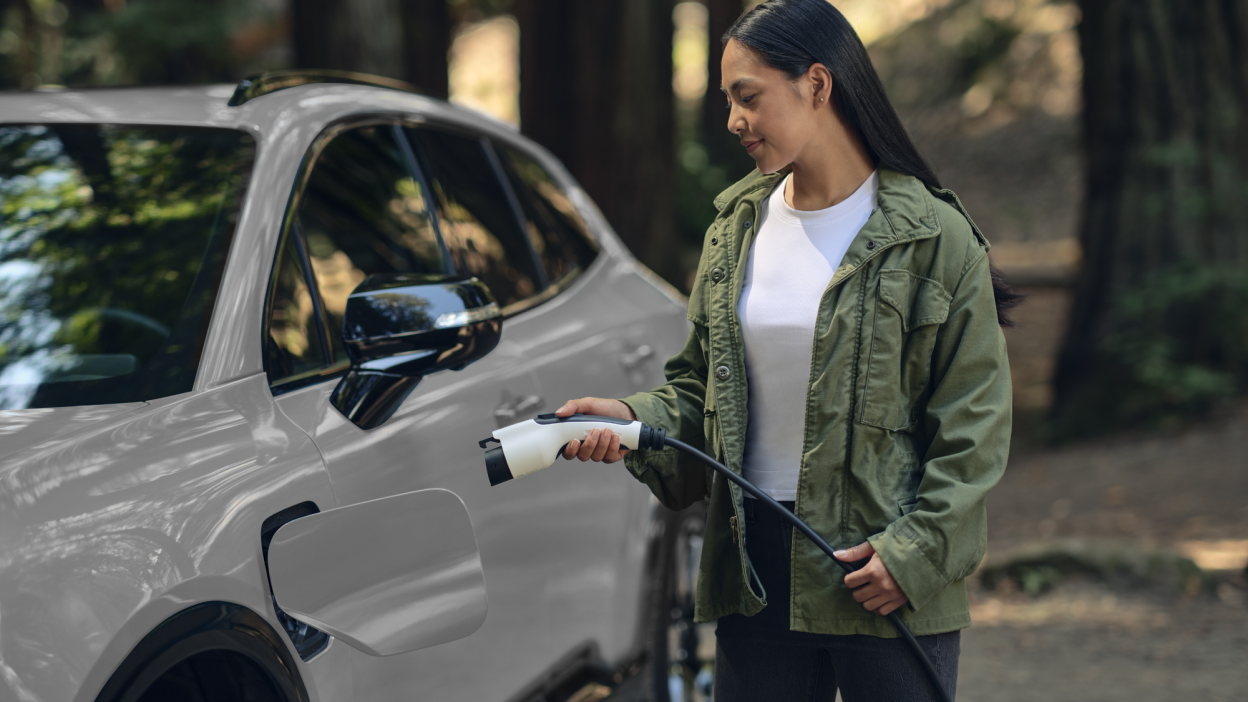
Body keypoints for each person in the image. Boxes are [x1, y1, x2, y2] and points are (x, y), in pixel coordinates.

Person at [554, 1, 1018, 699]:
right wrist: (630, 420)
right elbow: (701, 394)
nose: (734, 120)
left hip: (882, 576)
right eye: (728, 101)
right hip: (754, 574)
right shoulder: (734, 232)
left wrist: (914, 555)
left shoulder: (936, 238)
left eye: (748, 97)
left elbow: (974, 428)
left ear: (817, 85)